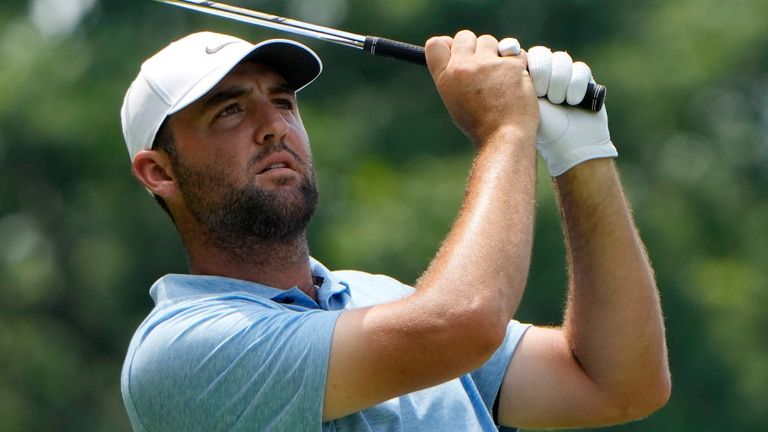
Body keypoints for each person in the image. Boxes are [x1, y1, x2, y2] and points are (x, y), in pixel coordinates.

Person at [119, 30, 670, 431]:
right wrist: (505, 129)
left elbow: (616, 383)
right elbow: (463, 323)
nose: (274, 128)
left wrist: (581, 155)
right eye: (230, 112)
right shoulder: (179, 351)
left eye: (283, 102)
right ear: (159, 173)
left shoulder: (381, 300)